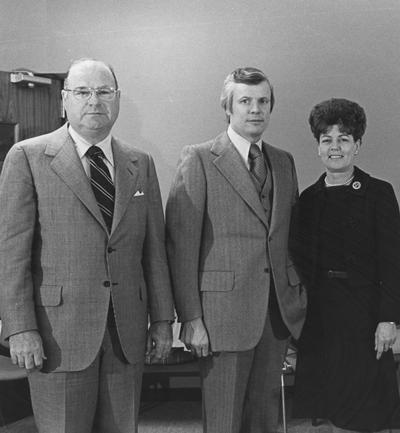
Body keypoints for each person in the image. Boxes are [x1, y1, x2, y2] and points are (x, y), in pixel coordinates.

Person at [0, 58, 175, 433]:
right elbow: (11, 253)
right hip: (56, 335)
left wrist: (162, 321)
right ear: (64, 100)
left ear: (117, 99)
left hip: (126, 334)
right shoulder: (28, 157)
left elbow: (154, 250)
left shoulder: (139, 163)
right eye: (82, 92)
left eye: (103, 92)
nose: (93, 100)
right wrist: (20, 328)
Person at [166, 67, 307, 433]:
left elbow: (289, 238)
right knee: (224, 420)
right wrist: (191, 319)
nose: (255, 109)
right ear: (227, 107)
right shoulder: (198, 159)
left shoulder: (283, 161)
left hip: (274, 316)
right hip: (220, 318)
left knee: (265, 419)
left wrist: (295, 296)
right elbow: (181, 248)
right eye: (245, 101)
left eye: (263, 101)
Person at [291, 98, 400, 432]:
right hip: (323, 318)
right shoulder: (308, 200)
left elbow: (393, 260)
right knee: (331, 408)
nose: (335, 147)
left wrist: (389, 319)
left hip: (366, 317)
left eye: (344, 139)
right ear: (318, 147)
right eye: (327, 140)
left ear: (358, 146)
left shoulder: (378, 193)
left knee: (369, 411)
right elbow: (300, 260)